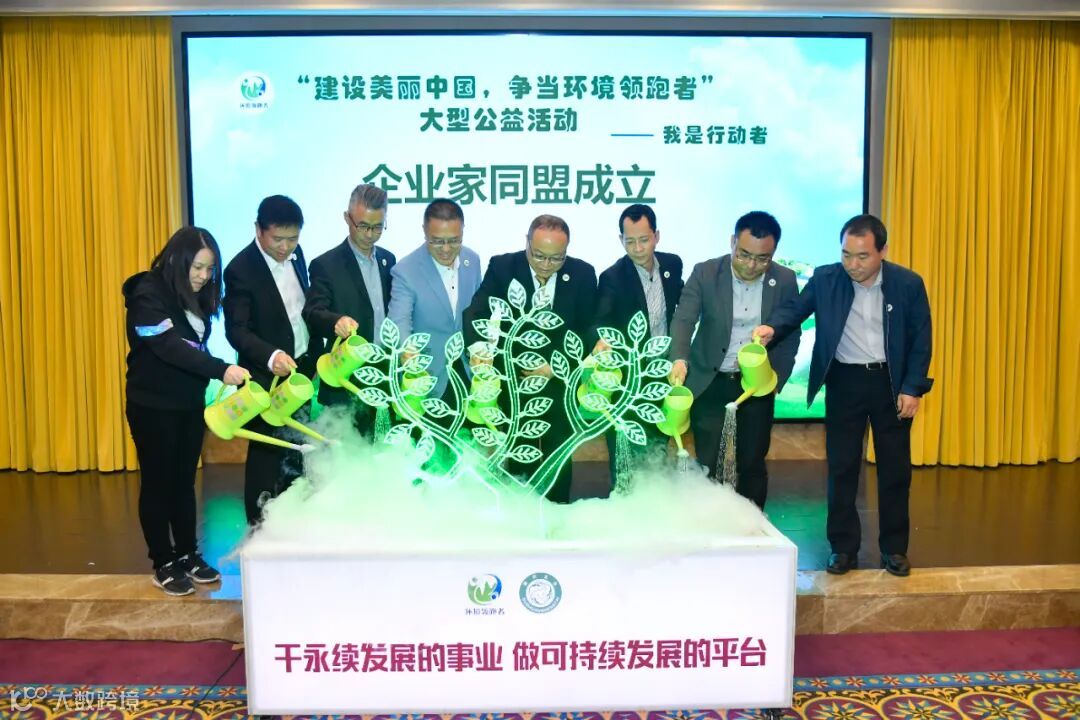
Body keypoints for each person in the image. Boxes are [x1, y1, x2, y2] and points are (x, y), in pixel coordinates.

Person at [754, 214, 932, 576]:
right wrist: (772, 327)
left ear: (883, 251)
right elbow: (796, 309)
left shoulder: (907, 284)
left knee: (895, 470)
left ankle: (894, 549)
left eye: (862, 256)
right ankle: (843, 548)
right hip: (845, 382)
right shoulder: (826, 278)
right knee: (842, 468)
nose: (853, 264)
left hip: (890, 383)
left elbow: (921, 340)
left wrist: (912, 388)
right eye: (846, 255)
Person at [123, 226, 249, 596]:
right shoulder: (147, 294)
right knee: (158, 483)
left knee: (183, 482)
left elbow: (194, 346)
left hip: (188, 404)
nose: (204, 276)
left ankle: (187, 554)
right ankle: (163, 561)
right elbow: (169, 347)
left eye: (210, 269)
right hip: (153, 406)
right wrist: (220, 369)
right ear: (177, 260)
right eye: (197, 267)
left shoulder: (195, 295)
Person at [669, 211, 800, 510]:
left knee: (752, 461)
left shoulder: (784, 279)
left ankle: (752, 527)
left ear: (773, 253)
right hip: (710, 380)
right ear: (732, 242)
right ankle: (713, 526)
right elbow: (684, 319)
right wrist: (679, 359)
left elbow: (790, 331)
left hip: (756, 384)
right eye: (744, 255)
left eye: (762, 259)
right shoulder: (706, 273)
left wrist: (776, 378)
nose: (751, 265)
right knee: (709, 462)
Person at [463, 214, 597, 503]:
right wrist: (479, 351)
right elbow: (477, 312)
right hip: (515, 380)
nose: (546, 265)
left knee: (559, 455)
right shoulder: (503, 267)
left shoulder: (583, 273)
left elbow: (589, 328)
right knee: (518, 451)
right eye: (538, 255)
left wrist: (557, 365)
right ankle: (520, 514)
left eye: (556, 258)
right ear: (527, 243)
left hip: (560, 381)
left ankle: (558, 514)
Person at [224, 195, 317, 525]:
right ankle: (259, 527)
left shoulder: (297, 255)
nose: (285, 247)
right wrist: (271, 355)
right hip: (265, 379)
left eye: (293, 238)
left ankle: (293, 520)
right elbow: (237, 330)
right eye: (278, 239)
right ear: (258, 230)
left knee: (297, 449)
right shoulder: (240, 269)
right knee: (266, 454)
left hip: (299, 371)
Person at [593, 204, 684, 490]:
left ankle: (655, 504)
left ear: (657, 236)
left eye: (644, 239)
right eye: (629, 241)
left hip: (664, 375)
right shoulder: (612, 277)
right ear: (621, 239)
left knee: (658, 446)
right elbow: (601, 320)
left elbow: (680, 309)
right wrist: (601, 339)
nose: (637, 248)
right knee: (625, 453)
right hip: (628, 381)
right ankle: (623, 503)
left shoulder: (672, 265)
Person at [303, 184, 397, 435]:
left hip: (383, 377)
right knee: (346, 455)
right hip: (345, 378)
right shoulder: (326, 264)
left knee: (385, 451)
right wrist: (335, 321)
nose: (370, 234)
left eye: (378, 227)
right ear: (347, 218)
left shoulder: (388, 260)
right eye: (363, 226)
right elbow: (312, 312)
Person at [387, 198, 481, 402]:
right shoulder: (406, 270)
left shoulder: (472, 260)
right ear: (424, 231)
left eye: (454, 240)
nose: (446, 249)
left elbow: (478, 312)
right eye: (437, 241)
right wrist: (406, 349)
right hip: (426, 376)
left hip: (468, 373)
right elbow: (399, 319)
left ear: (463, 231)